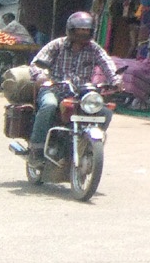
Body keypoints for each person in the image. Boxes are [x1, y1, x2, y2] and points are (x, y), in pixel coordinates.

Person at [27, 11, 120, 162]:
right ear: (71, 29)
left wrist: (116, 80)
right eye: (80, 29)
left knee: (105, 112)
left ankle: (89, 146)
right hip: (54, 88)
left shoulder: (94, 49)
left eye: (86, 30)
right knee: (49, 105)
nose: (83, 33)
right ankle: (36, 147)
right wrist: (41, 76)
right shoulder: (57, 45)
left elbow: (107, 63)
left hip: (81, 93)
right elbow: (37, 63)